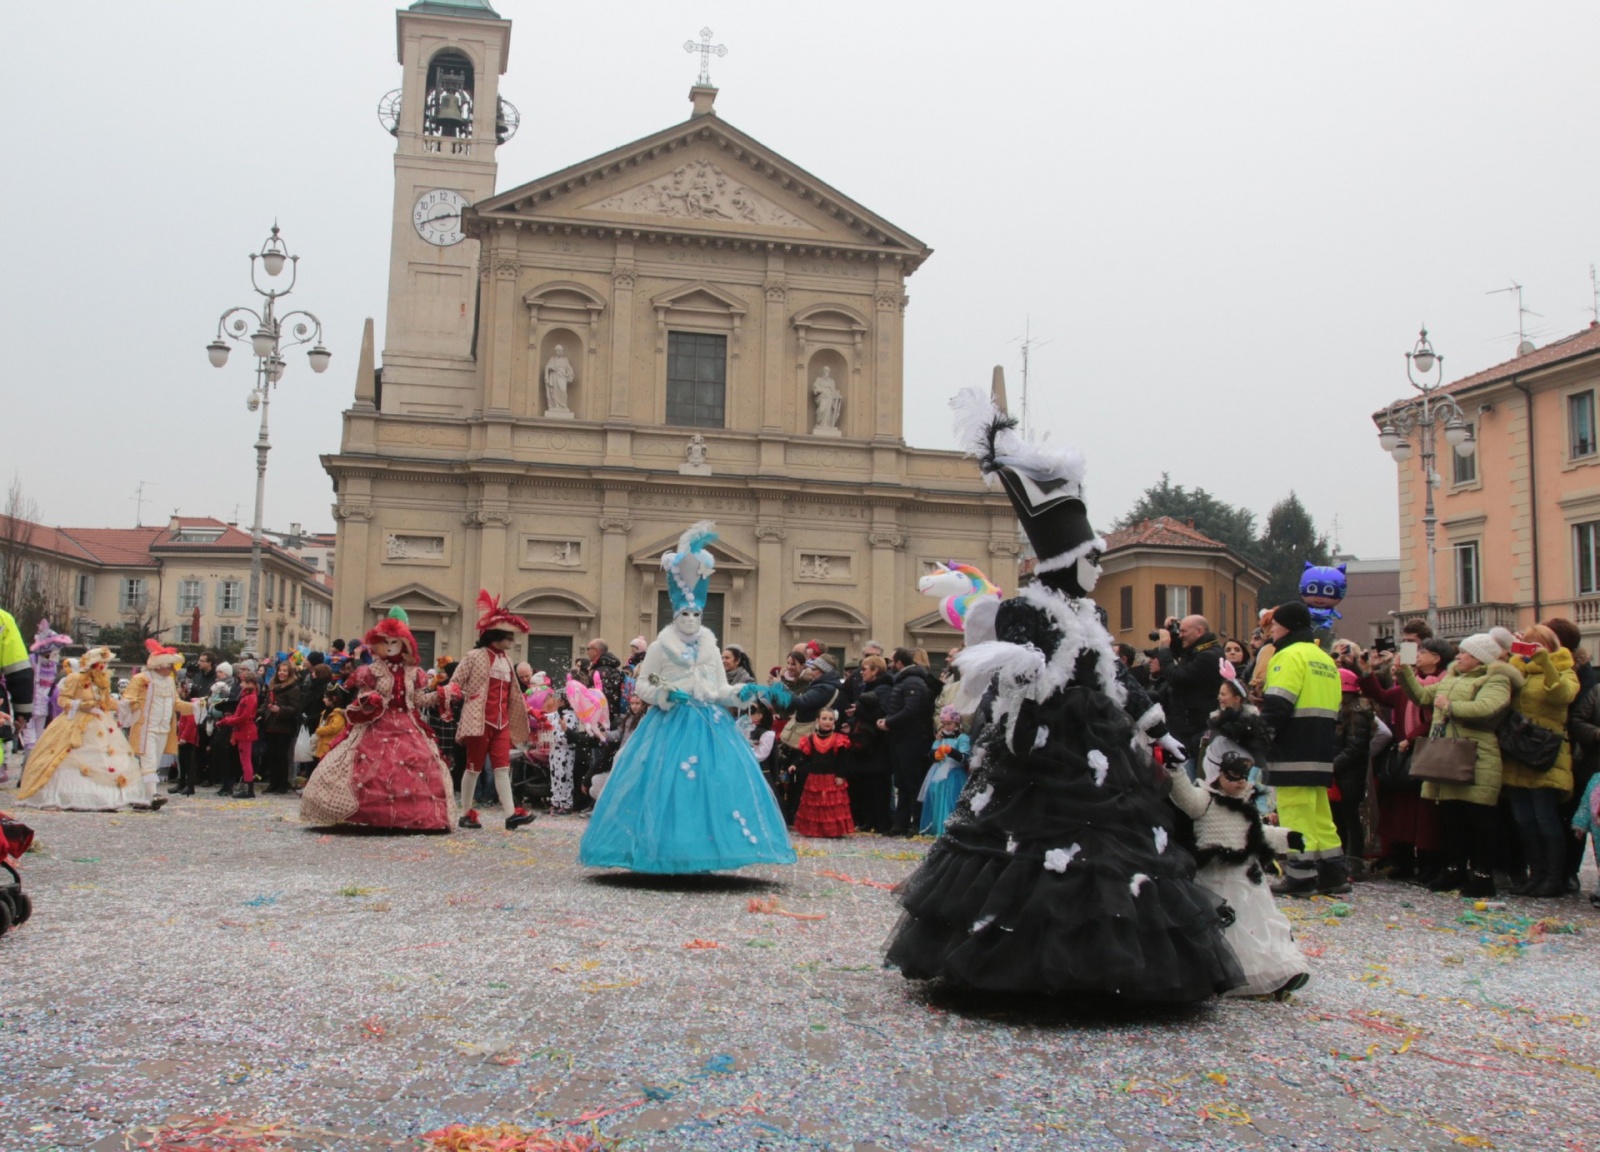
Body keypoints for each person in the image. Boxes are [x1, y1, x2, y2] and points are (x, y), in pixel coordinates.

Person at [885, 388, 1243, 1000]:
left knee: (1110, 850)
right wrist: (1019, 694)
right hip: (1041, 743)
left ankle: (1105, 962)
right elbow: (1016, 675)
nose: (1097, 569)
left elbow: (1115, 677)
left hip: (1098, 740)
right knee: (1026, 849)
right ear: (1066, 561)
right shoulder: (1028, 608)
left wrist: (1156, 727)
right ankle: (1020, 961)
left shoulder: (1090, 615)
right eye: (1091, 559)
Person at [579, 521, 796, 873]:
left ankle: (705, 852)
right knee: (667, 786)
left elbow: (718, 688)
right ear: (675, 615)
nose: (692, 619)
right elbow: (643, 686)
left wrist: (744, 692)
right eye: (686, 613)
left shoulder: (711, 648)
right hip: (668, 725)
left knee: (708, 788)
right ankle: (662, 851)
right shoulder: (661, 647)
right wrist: (665, 692)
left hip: (709, 725)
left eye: (697, 614)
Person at [298, 610, 460, 833]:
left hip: (408, 727)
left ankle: (412, 816)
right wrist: (369, 698)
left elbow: (418, 700)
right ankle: (365, 813)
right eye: (387, 642)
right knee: (364, 766)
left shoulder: (414, 673)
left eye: (396, 642)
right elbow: (360, 698)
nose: (391, 646)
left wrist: (443, 694)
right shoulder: (371, 671)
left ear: (405, 644)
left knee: (421, 764)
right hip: (376, 724)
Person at [1167, 753, 1310, 998]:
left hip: (1247, 878)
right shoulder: (1205, 801)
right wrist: (1175, 770)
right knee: (1228, 929)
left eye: (1243, 777)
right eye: (1232, 777)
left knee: (1258, 926)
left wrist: (1286, 837)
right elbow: (1185, 798)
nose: (1240, 783)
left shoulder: (1246, 804)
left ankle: (1272, 972)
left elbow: (1256, 833)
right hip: (1216, 879)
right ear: (1216, 774)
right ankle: (1223, 973)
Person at [1397, 632, 1521, 898]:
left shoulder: (1497, 678)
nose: (1459, 656)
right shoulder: (1452, 677)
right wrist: (1404, 673)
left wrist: (1451, 706)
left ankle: (1482, 874)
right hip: (1449, 753)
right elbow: (1421, 696)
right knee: (1451, 816)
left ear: (1479, 658)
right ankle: (1454, 869)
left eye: (1465, 652)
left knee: (1479, 818)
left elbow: (1489, 707)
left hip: (1477, 754)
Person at [1258, 601, 1346, 897]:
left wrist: (1260, 736)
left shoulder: (1286, 656)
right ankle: (1333, 874)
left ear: (1289, 626)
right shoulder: (1323, 658)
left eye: (1275, 623)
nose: (1271, 629)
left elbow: (1278, 705)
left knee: (1295, 814)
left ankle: (1300, 876)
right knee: (1320, 815)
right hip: (1320, 745)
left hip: (1292, 747)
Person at [16, 647, 155, 811]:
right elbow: (63, 700)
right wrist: (81, 705)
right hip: (74, 722)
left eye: (104, 664)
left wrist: (126, 705)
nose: (102, 668)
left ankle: (107, 797)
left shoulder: (102, 683)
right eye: (100, 664)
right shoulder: (75, 679)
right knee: (67, 755)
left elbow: (107, 703)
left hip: (100, 722)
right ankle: (67, 794)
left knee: (107, 758)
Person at [1359, 638, 1452, 882]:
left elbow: (1436, 718)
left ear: (1438, 658)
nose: (1418, 655)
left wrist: (1411, 737)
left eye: (1424, 652)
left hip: (1428, 753)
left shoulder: (1443, 684)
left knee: (1426, 815)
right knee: (1400, 812)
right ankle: (1403, 863)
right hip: (1404, 754)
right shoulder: (1408, 686)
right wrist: (1368, 672)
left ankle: (1429, 865)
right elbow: (1382, 695)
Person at [444, 592, 538, 831]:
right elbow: (455, 683)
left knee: (502, 767)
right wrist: (448, 697)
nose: (512, 640)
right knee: (473, 767)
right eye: (508, 635)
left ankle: (510, 814)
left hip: (501, 723)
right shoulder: (474, 656)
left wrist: (530, 712)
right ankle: (466, 813)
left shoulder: (507, 660)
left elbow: (511, 694)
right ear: (495, 636)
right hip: (479, 721)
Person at [1500, 624, 1578, 897]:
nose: (1531, 651)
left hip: (1545, 752)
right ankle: (1535, 874)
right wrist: (1514, 659)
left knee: (1545, 817)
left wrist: (1546, 664)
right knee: (1524, 818)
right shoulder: (1520, 669)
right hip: (1518, 751)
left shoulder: (1565, 669)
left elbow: (1561, 696)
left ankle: (1552, 877)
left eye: (1537, 646)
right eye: (1527, 645)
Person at [123, 640, 198, 805]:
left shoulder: (170, 681)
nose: (172, 669)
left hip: (164, 729)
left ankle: (141, 798)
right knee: (148, 761)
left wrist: (195, 707)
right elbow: (128, 697)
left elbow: (176, 704)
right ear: (158, 665)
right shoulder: (141, 679)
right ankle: (154, 795)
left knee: (153, 762)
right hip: (146, 727)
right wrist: (130, 703)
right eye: (169, 665)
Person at [880, 647, 937, 835]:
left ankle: (916, 822)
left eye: (891, 662)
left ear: (899, 663)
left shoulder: (913, 682)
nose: (889, 665)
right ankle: (900, 823)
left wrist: (889, 722)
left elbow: (911, 710)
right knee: (902, 783)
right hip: (901, 738)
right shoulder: (904, 681)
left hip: (912, 739)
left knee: (913, 782)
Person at [1160, 614, 1228, 763]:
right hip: (1188, 727)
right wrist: (1171, 632)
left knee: (1191, 780)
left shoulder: (1208, 656)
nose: (1180, 636)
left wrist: (1164, 648)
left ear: (1199, 631)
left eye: (1184, 632)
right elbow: (1184, 653)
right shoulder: (1203, 651)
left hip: (1195, 730)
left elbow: (1176, 678)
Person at [1331, 667, 1376, 877]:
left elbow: (1355, 747)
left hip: (1349, 775)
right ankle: (1341, 859)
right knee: (1338, 818)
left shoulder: (1357, 714)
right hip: (1340, 774)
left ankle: (1354, 862)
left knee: (1350, 819)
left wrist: (1333, 765)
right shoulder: (1342, 711)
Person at [844, 654, 894, 832]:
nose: (861, 673)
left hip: (878, 745)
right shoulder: (867, 688)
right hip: (865, 744)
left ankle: (882, 823)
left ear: (875, 670)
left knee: (879, 786)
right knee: (865, 785)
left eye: (864, 669)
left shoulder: (885, 690)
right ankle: (869, 820)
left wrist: (860, 709)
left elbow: (882, 714)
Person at [792, 709, 854, 838]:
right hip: (814, 778)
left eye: (830, 719)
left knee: (831, 805)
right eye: (824, 719)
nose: (827, 722)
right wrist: (794, 765)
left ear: (834, 722)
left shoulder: (839, 739)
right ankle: (814, 830)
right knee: (815, 805)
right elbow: (804, 756)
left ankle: (833, 831)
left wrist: (840, 775)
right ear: (818, 720)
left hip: (832, 777)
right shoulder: (810, 738)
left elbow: (843, 760)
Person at [918, 706, 970, 837]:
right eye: (944, 724)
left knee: (951, 798)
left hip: (954, 774)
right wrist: (935, 755)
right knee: (937, 797)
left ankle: (951, 828)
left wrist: (951, 751)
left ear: (957, 723)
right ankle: (937, 825)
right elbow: (931, 752)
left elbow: (965, 757)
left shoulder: (962, 738)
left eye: (950, 724)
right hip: (939, 772)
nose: (947, 727)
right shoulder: (941, 737)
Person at [260, 659, 307, 795]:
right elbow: (266, 701)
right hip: (270, 725)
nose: (282, 673)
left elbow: (295, 708)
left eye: (285, 671)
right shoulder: (273, 686)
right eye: (280, 670)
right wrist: (263, 711)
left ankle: (282, 784)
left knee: (282, 757)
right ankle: (273, 783)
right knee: (271, 756)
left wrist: (280, 709)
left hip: (284, 727)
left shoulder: (293, 688)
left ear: (289, 673)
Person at [222, 669, 261, 799]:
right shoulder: (248, 696)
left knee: (245, 760)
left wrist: (228, 720)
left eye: (243, 682)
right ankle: (248, 787)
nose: (240, 685)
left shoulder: (250, 698)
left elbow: (244, 716)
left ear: (250, 682)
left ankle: (249, 789)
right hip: (244, 729)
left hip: (246, 730)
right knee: (244, 759)